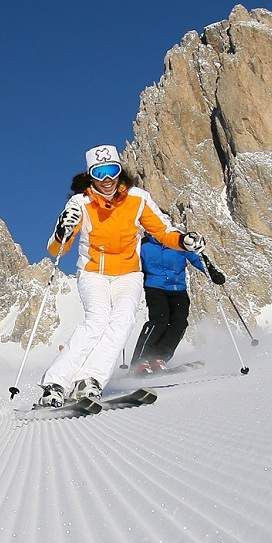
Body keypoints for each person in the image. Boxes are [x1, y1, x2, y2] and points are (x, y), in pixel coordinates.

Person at [37, 145, 206, 407]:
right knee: (97, 320)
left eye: (111, 171)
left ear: (119, 172)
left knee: (122, 322)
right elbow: (57, 249)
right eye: (99, 172)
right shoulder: (80, 202)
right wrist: (62, 230)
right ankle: (56, 382)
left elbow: (163, 231)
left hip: (128, 274)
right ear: (90, 175)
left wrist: (183, 241)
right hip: (94, 273)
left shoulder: (138, 199)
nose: (106, 180)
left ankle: (90, 380)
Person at [129, 232, 226, 374]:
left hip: (178, 289)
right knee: (159, 320)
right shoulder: (143, 246)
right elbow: (131, 262)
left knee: (179, 323)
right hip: (154, 288)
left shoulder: (178, 243)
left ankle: (159, 357)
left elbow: (197, 258)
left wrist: (213, 273)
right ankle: (140, 361)